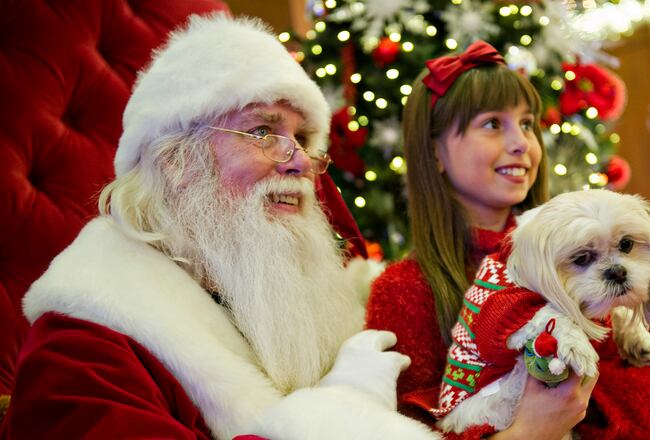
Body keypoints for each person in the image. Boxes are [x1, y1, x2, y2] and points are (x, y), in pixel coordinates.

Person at [0, 14, 439, 440]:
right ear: (175, 162)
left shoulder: (296, 300)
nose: (302, 162)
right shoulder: (79, 352)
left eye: (303, 140)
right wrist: (340, 410)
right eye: (263, 131)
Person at [366, 41, 650, 439]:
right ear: (434, 152)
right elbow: (404, 431)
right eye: (492, 124)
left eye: (527, 123)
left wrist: (577, 406)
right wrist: (529, 430)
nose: (521, 143)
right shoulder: (405, 291)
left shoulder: (593, 232)